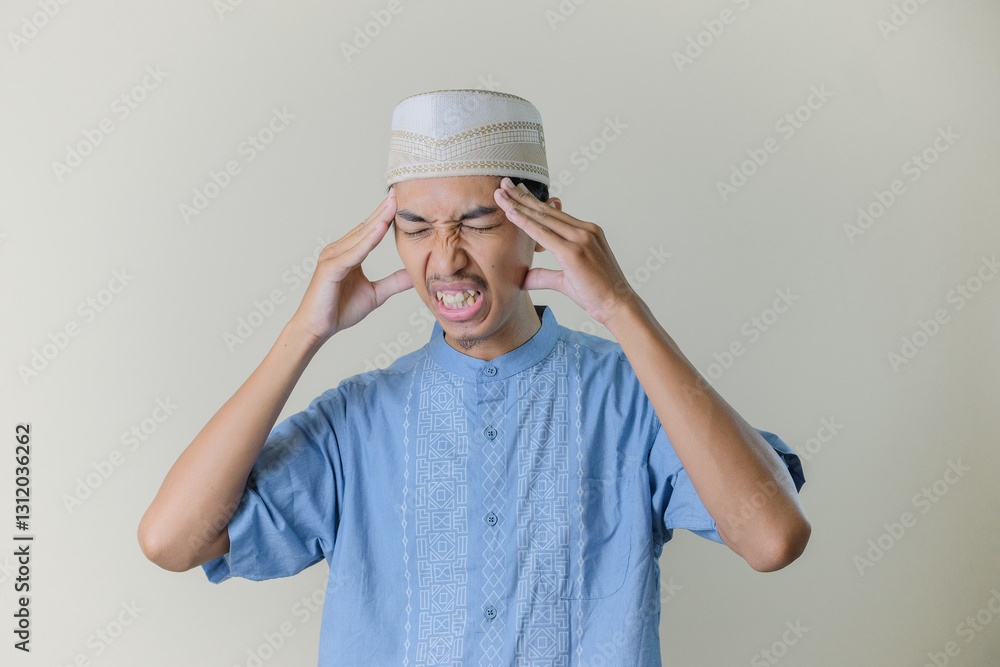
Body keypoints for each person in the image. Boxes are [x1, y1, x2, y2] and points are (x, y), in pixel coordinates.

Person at [138, 89, 809, 665]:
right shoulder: (355, 422)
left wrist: (620, 307)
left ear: (542, 226)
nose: (446, 259)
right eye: (416, 228)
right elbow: (171, 539)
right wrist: (303, 334)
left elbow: (772, 537)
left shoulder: (634, 398)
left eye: (477, 222)